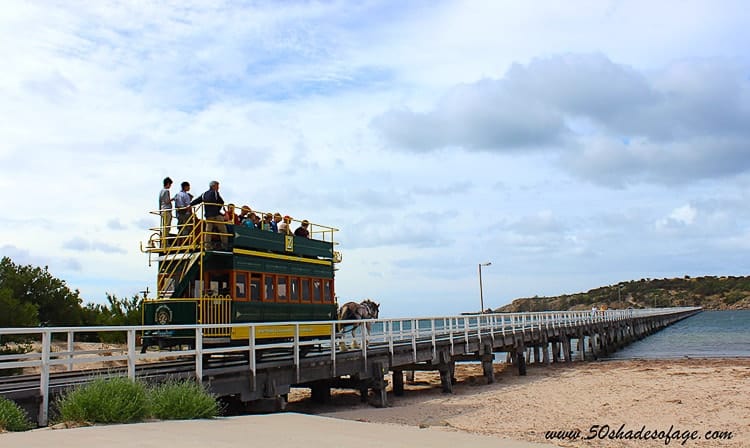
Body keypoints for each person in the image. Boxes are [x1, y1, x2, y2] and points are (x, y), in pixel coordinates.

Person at [190, 180, 228, 250]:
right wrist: (220, 211)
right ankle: (224, 246)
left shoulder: (204, 194)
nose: (218, 187)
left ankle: (207, 247)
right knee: (223, 230)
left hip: (208, 216)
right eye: (217, 186)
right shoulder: (215, 193)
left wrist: (190, 205)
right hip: (216, 215)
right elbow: (221, 202)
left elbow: (197, 200)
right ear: (213, 186)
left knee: (208, 232)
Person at [158, 177, 174, 243]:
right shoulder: (166, 191)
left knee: (164, 226)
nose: (170, 186)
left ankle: (163, 241)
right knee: (167, 227)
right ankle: (165, 242)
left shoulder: (161, 191)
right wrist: (173, 199)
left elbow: (159, 201)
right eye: (170, 184)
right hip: (167, 210)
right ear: (168, 184)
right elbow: (167, 201)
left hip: (162, 210)